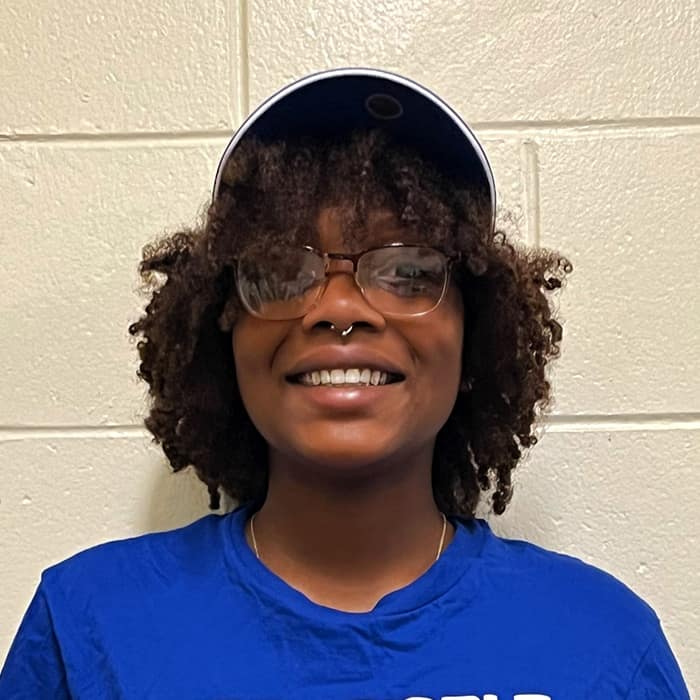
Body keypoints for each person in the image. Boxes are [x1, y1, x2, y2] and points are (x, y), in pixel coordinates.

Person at [0, 68, 690, 699]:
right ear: (223, 332)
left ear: (474, 336)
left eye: (409, 271)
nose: (338, 307)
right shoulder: (88, 627)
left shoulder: (602, 646)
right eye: (281, 269)